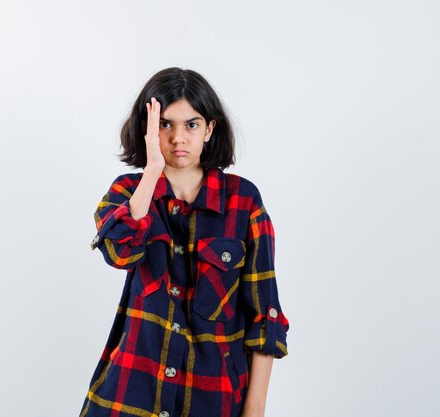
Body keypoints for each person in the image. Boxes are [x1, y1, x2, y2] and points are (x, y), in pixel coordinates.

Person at [79, 67, 290, 417]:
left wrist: (255, 410)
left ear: (209, 129)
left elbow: (264, 315)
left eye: (191, 124)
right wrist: (151, 170)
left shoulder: (244, 202)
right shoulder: (129, 193)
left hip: (212, 398)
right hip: (131, 394)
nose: (178, 137)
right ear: (148, 129)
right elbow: (119, 251)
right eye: (165, 124)